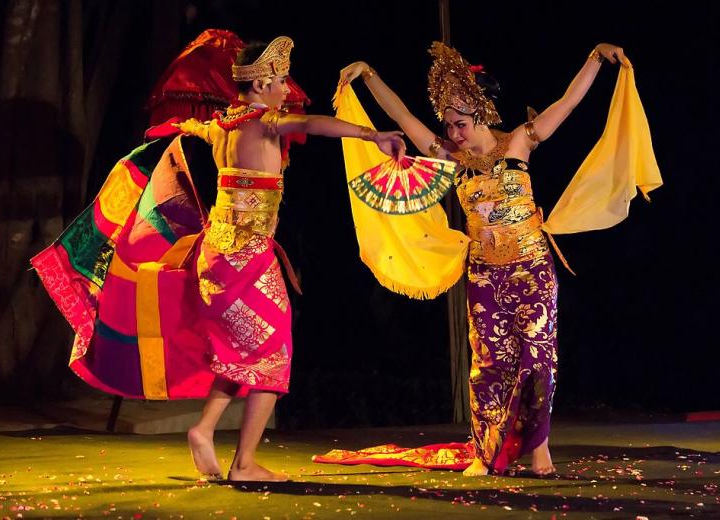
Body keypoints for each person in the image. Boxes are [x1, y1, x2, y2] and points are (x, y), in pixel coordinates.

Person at [32, 35, 405, 483]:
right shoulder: (265, 122)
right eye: (282, 80)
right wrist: (373, 134)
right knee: (275, 352)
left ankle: (204, 430)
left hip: (217, 255)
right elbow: (316, 123)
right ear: (263, 82)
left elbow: (189, 130)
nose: (286, 89)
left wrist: (174, 129)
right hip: (246, 257)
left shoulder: (222, 123)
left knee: (243, 352)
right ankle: (244, 463)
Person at [336, 41, 630, 476]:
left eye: (460, 124)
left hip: (531, 268)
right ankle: (486, 450)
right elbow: (402, 117)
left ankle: (540, 448)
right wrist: (368, 73)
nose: (453, 134)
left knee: (537, 358)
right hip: (485, 274)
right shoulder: (450, 157)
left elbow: (568, 101)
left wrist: (593, 58)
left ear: (479, 112)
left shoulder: (520, 142)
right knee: (489, 364)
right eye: (448, 125)